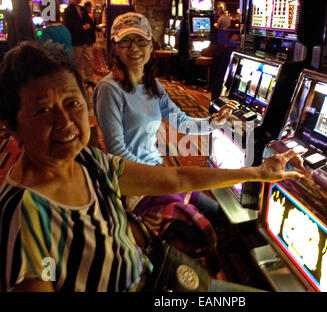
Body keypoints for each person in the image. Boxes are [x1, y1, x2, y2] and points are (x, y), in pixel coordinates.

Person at [0, 41, 304, 292]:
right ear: (11, 126)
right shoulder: (25, 214)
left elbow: (175, 176)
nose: (65, 122)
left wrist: (259, 172)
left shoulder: (87, 161)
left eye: (72, 103)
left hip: (156, 275)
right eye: (43, 110)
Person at [93, 12, 238, 240]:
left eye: (141, 40)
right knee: (198, 231)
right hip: (133, 184)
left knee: (220, 214)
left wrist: (214, 122)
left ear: (151, 46)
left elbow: (182, 122)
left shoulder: (153, 86)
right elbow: (117, 150)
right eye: (125, 41)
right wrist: (162, 178)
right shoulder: (109, 89)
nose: (134, 48)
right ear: (115, 48)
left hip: (158, 173)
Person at [63, 0, 95, 86]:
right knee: (77, 62)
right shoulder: (68, 10)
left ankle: (89, 79)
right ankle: (78, 80)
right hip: (76, 40)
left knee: (90, 59)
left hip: (86, 39)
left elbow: (89, 21)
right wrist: (81, 28)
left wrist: (89, 25)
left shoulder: (83, 9)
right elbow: (69, 25)